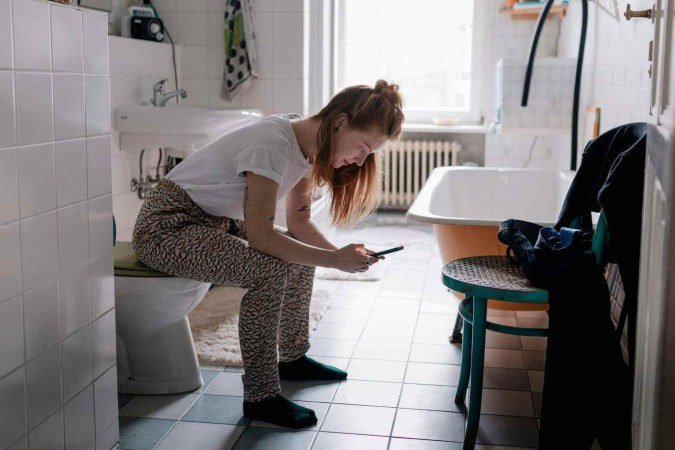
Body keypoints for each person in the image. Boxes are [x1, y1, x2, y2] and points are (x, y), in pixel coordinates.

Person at [132, 80, 404, 428]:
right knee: (270, 270)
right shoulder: (273, 143)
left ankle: (292, 358)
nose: (360, 160)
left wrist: (340, 255)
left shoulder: (307, 145)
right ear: (340, 123)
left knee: (298, 253)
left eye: (369, 154)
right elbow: (261, 237)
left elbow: (300, 223)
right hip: (166, 226)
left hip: (214, 221)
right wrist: (335, 260)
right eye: (363, 147)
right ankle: (260, 397)